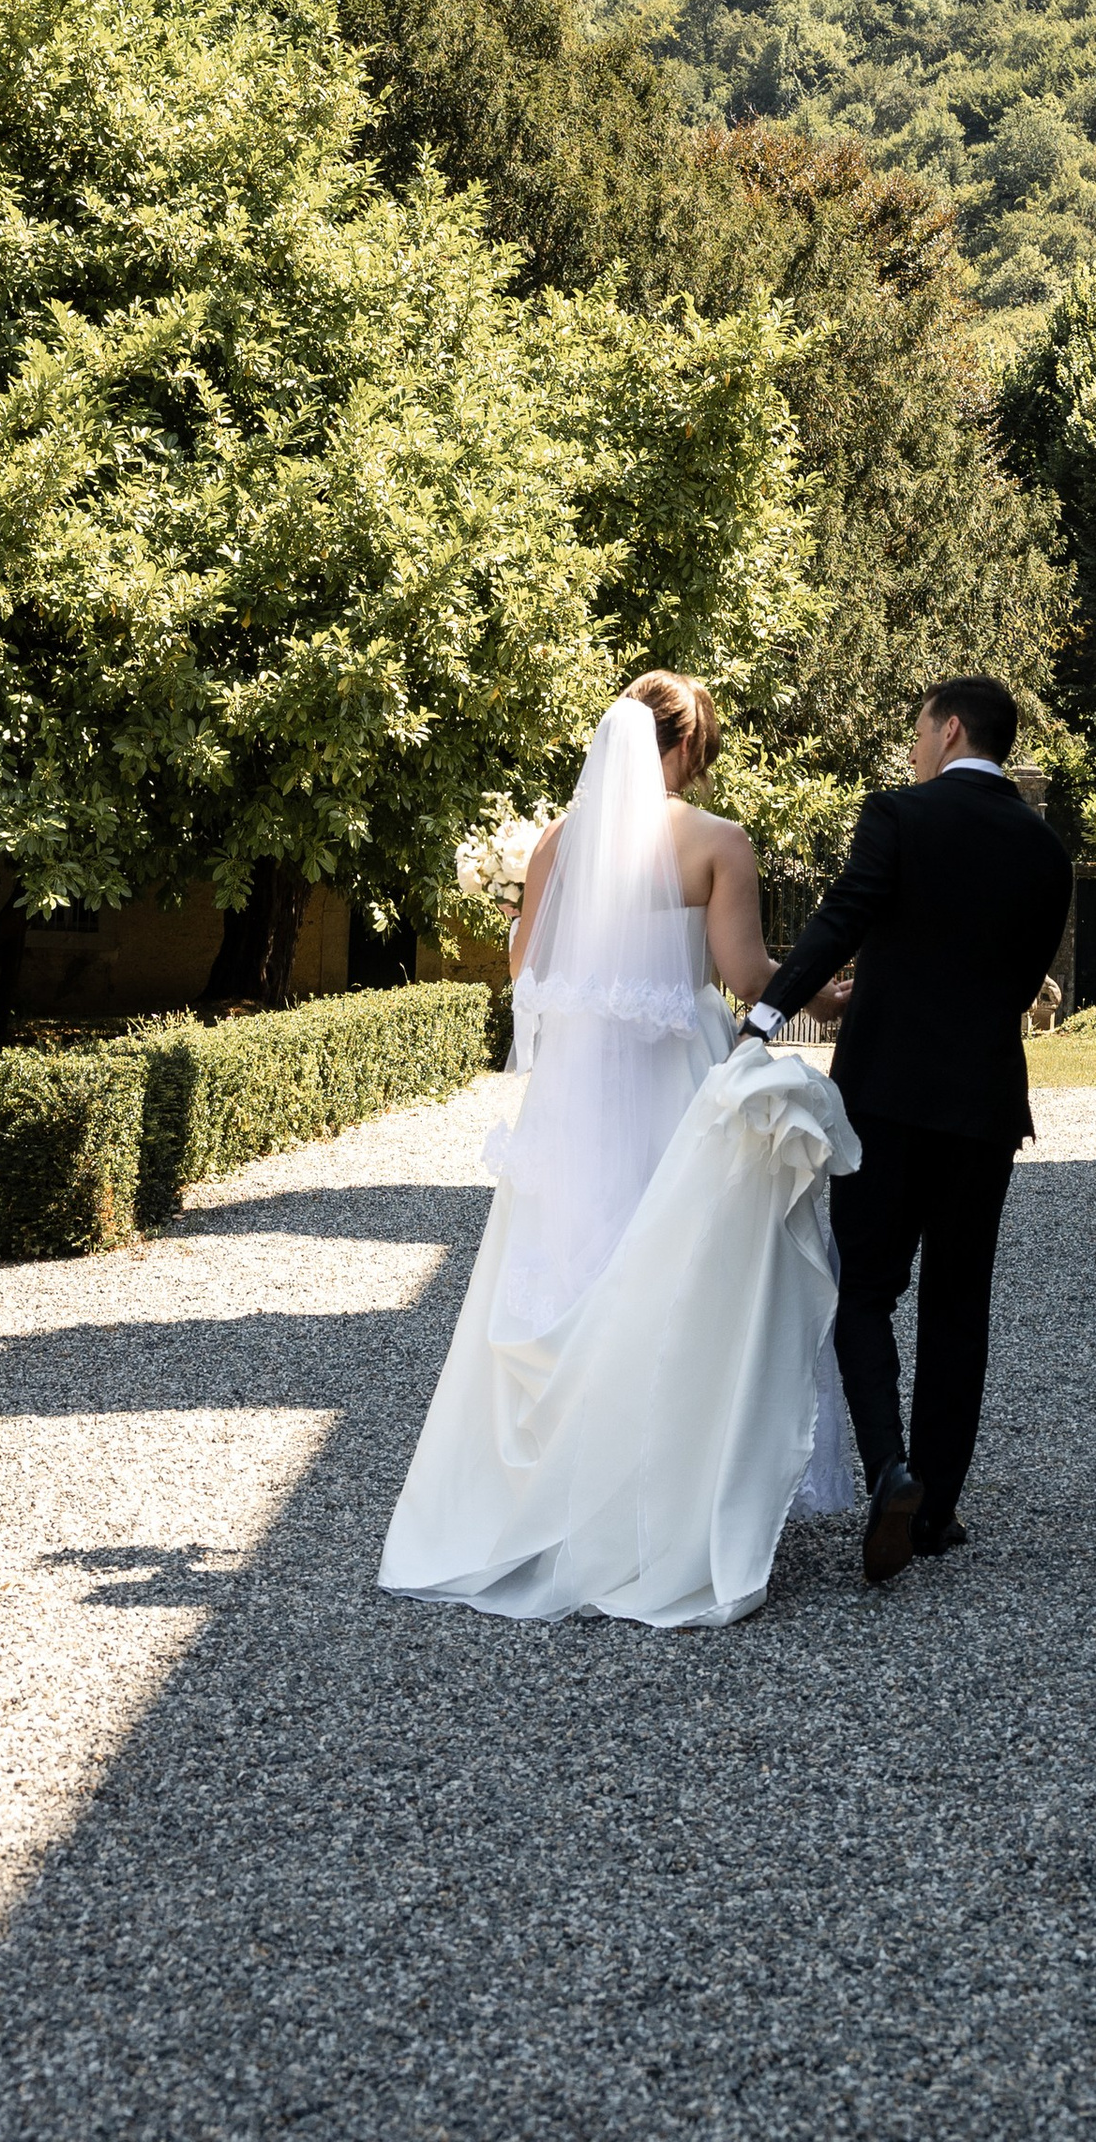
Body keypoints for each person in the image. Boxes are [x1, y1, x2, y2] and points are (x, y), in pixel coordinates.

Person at [377, 674, 861, 1631]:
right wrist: (830, 1000)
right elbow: (747, 975)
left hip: (578, 1101)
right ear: (687, 751)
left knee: (566, 1273)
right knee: (684, 1277)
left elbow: (527, 968)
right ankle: (661, 1502)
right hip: (675, 1084)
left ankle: (547, 1507)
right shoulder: (717, 842)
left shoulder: (563, 839)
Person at [740, 674, 1072, 1587]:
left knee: (865, 1290)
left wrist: (767, 1017)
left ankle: (891, 1467)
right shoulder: (1046, 849)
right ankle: (936, 1513)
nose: (914, 747)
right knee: (959, 1303)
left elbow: (841, 917)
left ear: (950, 728)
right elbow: (1021, 979)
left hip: (884, 1098)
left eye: (919, 730)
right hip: (985, 1106)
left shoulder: (899, 816)